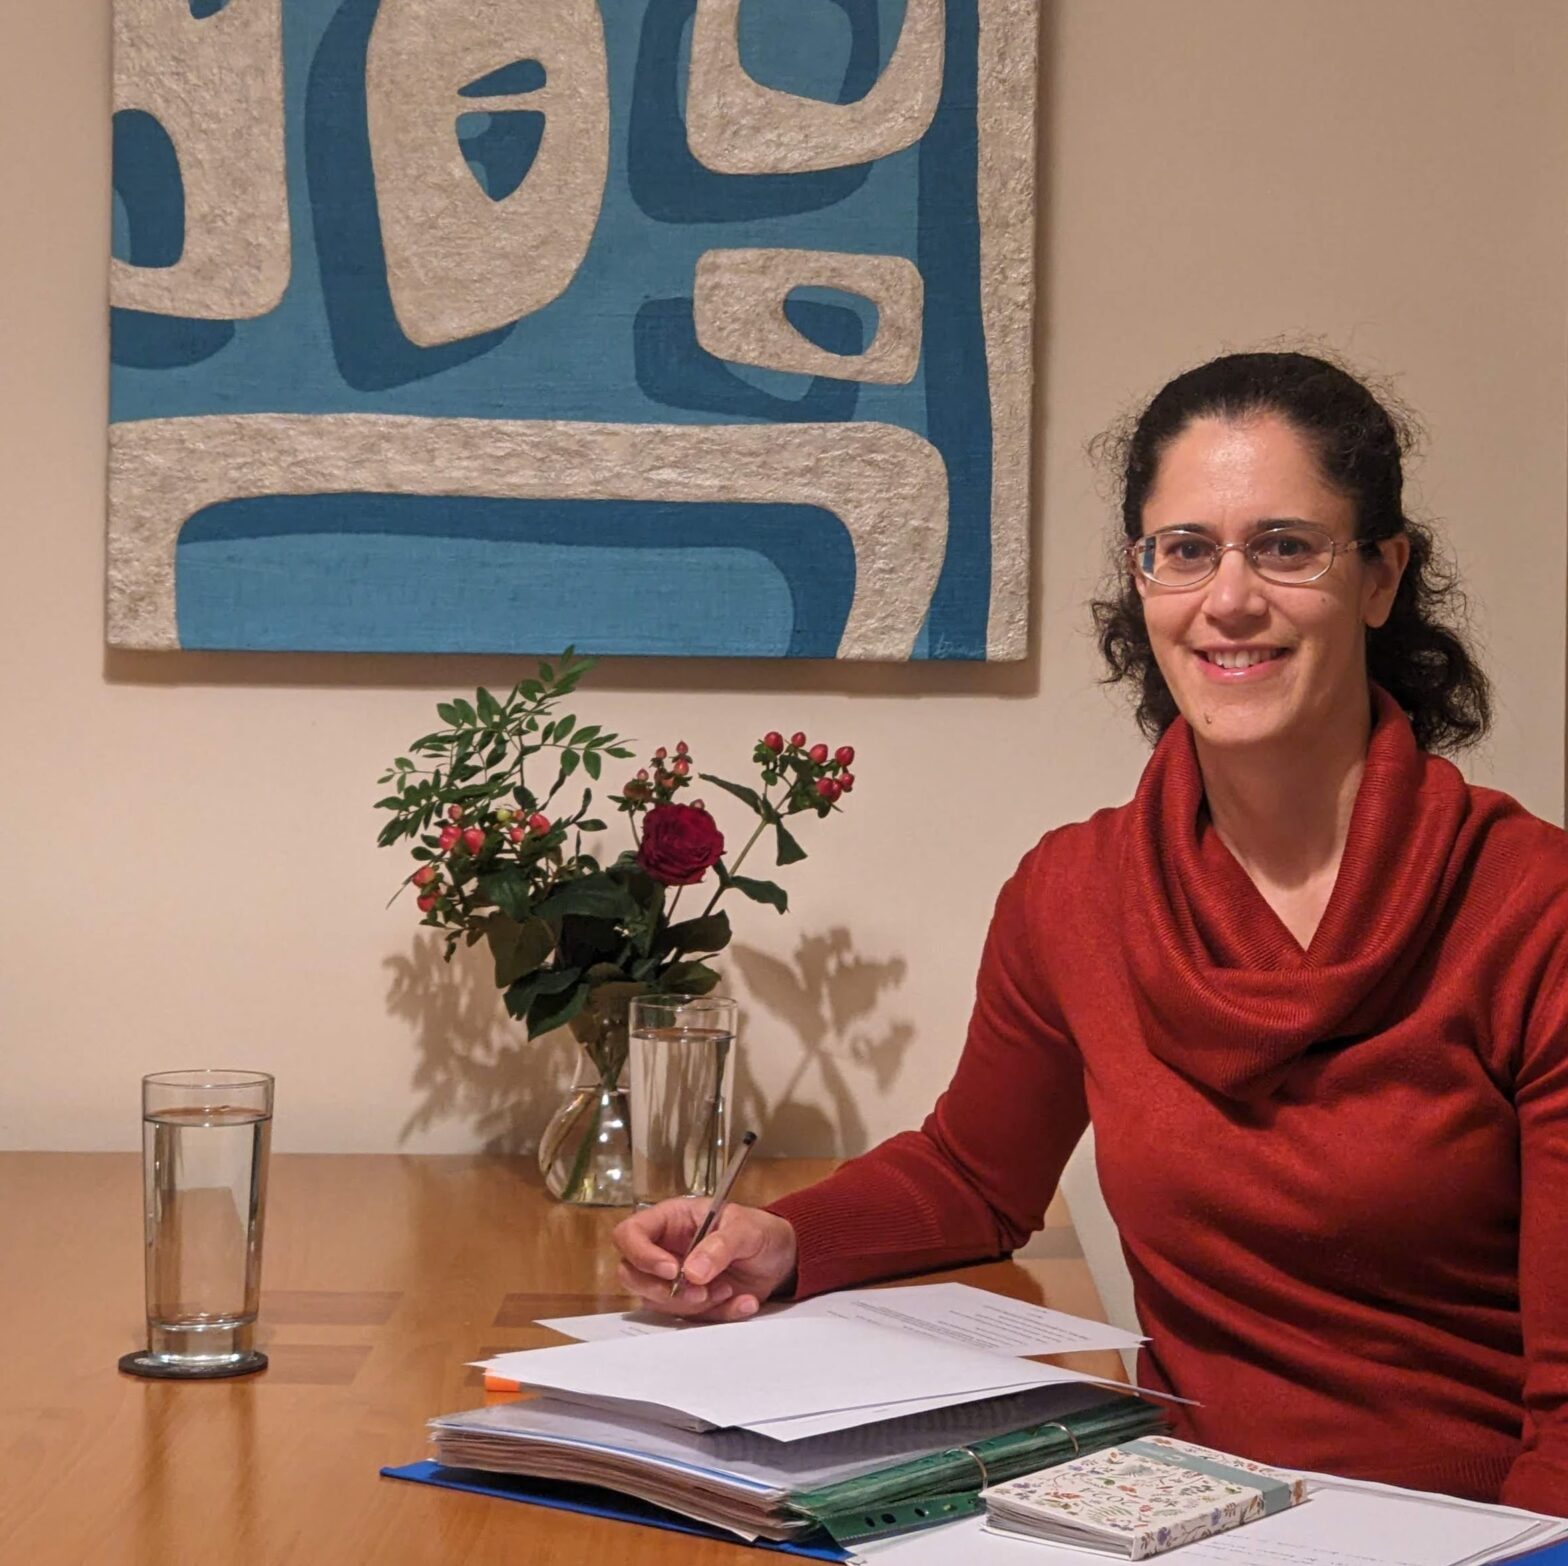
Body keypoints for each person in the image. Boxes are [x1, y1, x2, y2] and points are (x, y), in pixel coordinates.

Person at [611, 351, 1568, 1515]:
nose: (1228, 600)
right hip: (1194, 1514)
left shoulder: (1531, 912)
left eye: (1284, 546)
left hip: (1470, 1532)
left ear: (1379, 576)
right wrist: (775, 1239)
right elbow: (975, 1175)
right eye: (1185, 550)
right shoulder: (1073, 894)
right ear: (1141, 579)